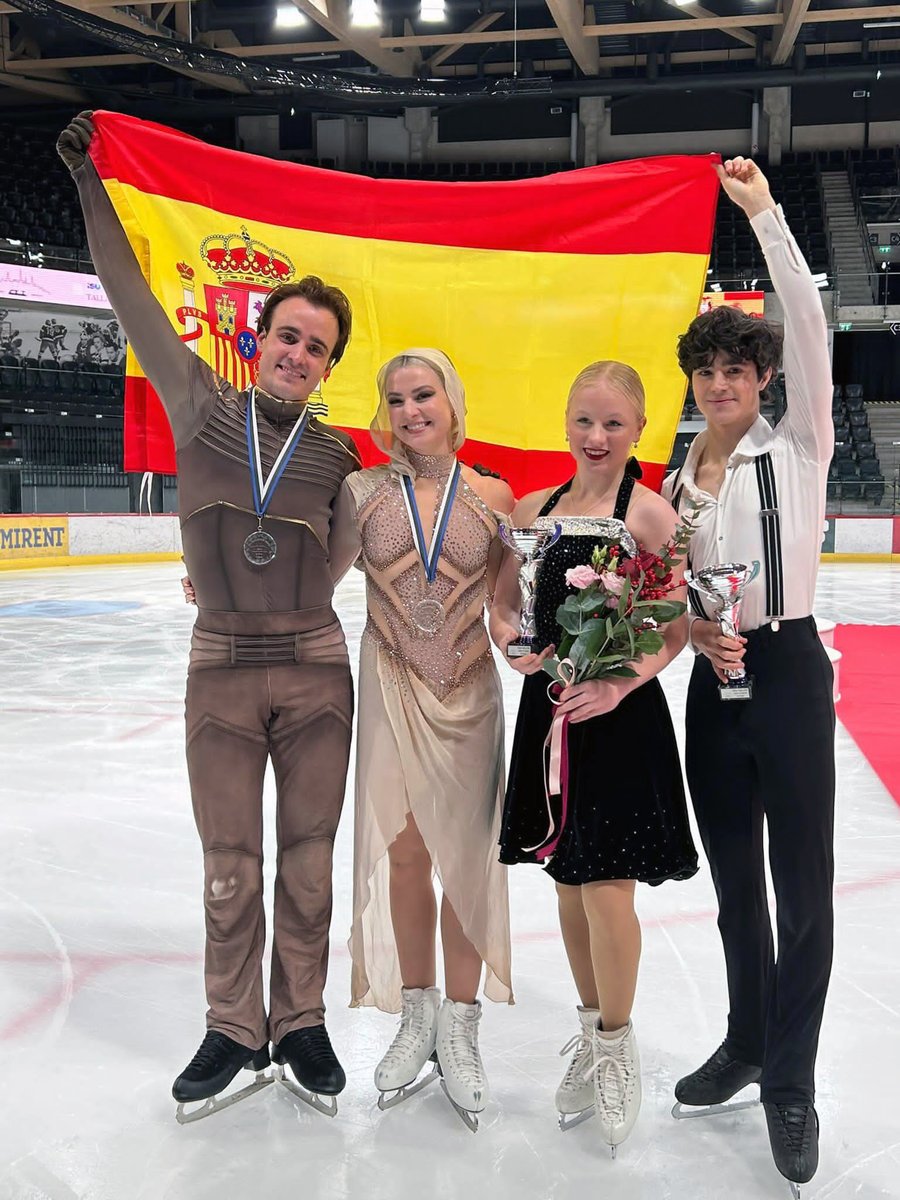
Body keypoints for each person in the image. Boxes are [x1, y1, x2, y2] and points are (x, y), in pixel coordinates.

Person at [57, 112, 362, 1119]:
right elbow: (129, 294)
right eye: (288, 336)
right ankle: (234, 1030)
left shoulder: (340, 460)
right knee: (231, 866)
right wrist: (90, 181)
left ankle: (301, 1022)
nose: (298, 355)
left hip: (316, 666)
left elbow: (353, 561)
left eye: (316, 348)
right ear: (260, 338)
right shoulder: (197, 403)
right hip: (221, 667)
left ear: (327, 368)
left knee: (308, 864)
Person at [662, 157, 834, 1192]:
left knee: (801, 887)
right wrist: (688, 627)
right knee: (734, 886)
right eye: (707, 373)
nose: (721, 385)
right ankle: (744, 1039)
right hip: (708, 676)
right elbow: (673, 582)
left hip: (786, 669)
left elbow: (809, 322)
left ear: (762, 379)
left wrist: (764, 215)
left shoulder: (801, 444)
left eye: (738, 370)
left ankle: (793, 1077)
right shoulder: (683, 472)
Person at [490, 360, 698, 1153]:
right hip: (548, 715)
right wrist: (510, 644)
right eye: (584, 420)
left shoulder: (649, 515)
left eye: (613, 423)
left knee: (609, 890)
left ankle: (617, 1044)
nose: (597, 436)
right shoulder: (538, 510)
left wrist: (619, 686)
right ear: (566, 424)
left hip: (616, 718)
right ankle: (590, 1027)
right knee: (569, 886)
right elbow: (506, 599)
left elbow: (674, 626)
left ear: (639, 428)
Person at [344, 348, 514, 1131]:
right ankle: (416, 1013)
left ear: (452, 400)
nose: (411, 410)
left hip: (471, 691)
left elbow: (508, 610)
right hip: (389, 684)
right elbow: (316, 579)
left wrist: (548, 647)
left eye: (424, 395)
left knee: (466, 861)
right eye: (397, 398)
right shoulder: (361, 491)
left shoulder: (492, 495)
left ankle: (462, 1025)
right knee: (407, 851)